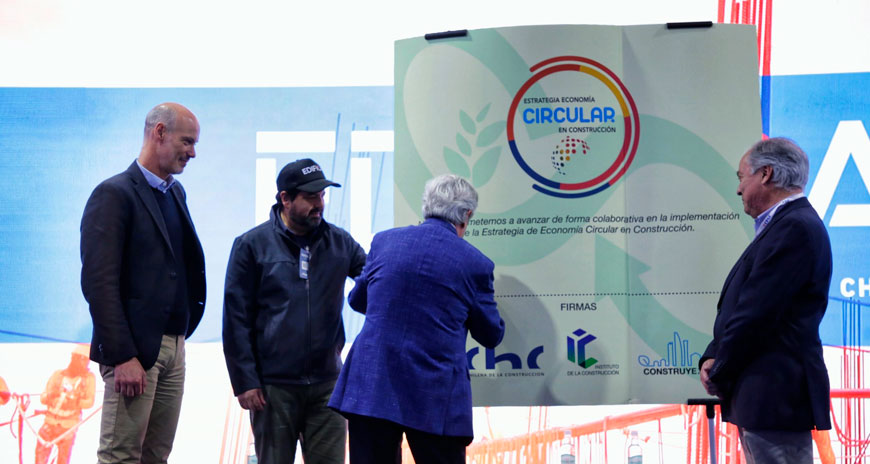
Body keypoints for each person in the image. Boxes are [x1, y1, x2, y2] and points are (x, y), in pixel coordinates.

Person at [329, 174, 506, 464]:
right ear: (467, 215)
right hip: (435, 394)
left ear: (426, 206)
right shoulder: (476, 264)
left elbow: (357, 300)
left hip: (373, 384)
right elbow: (490, 334)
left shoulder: (384, 241)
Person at [80, 102, 206, 464]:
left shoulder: (175, 193)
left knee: (156, 456)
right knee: (120, 456)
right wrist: (122, 356)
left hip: (173, 347)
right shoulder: (114, 194)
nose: (192, 153)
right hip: (133, 351)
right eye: (187, 142)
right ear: (159, 133)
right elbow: (99, 282)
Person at [222, 158, 366, 464]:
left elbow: (374, 279)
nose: (319, 204)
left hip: (328, 385)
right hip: (273, 388)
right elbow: (236, 320)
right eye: (311, 197)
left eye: (322, 195)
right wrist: (245, 381)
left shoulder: (340, 242)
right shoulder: (251, 245)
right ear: (285, 199)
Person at [699, 137, 832, 464]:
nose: (738, 189)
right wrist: (714, 355)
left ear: (766, 174)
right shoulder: (785, 226)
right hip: (766, 396)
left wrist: (720, 369)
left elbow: (756, 313)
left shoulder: (794, 228)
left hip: (775, 397)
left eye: (741, 177)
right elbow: (745, 305)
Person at [35, 344, 96, 464]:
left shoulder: (88, 379)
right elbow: (43, 397)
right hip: (50, 423)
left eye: (85, 360)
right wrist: (51, 396)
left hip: (68, 426)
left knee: (63, 460)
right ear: (73, 358)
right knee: (40, 458)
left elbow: (90, 401)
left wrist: (76, 402)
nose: (83, 363)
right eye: (79, 359)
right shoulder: (58, 375)